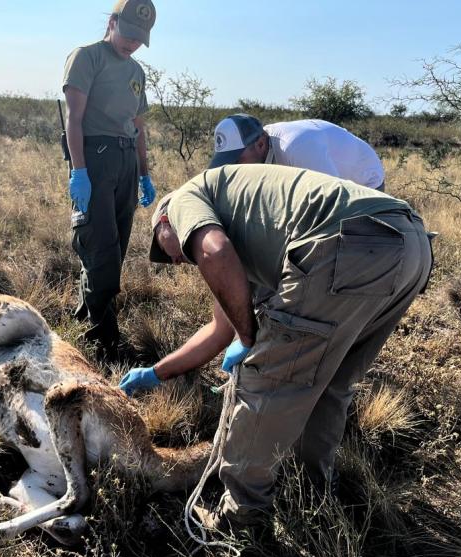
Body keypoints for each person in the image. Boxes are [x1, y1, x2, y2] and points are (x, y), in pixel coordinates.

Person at [118, 163, 433, 531]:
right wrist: (157, 373)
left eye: (165, 248)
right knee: (330, 384)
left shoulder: (187, 197)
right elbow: (221, 329)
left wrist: (251, 340)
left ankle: (240, 517)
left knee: (264, 385)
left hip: (344, 246)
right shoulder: (249, 225)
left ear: (165, 220)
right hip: (409, 244)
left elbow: (214, 253)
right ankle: (312, 495)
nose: (174, 260)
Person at [63, 0, 157, 359]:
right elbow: (74, 118)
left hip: (125, 160)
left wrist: (144, 175)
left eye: (140, 38)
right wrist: (79, 171)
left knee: (115, 247)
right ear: (113, 22)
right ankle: (103, 338)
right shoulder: (87, 57)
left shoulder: (136, 72)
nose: (133, 43)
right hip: (95, 159)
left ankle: (88, 311)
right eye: (129, 33)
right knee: (99, 247)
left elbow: (138, 128)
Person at [209, 114, 386, 190]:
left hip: (364, 181)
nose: (233, 167)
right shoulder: (263, 149)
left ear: (261, 144)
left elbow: (336, 198)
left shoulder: (296, 148)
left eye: (237, 160)